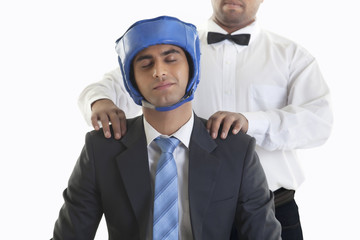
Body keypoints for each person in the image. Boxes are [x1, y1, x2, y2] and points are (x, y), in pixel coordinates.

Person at [78, 1, 333, 239]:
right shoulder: (177, 49)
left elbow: (319, 122)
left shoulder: (292, 55)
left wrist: (249, 123)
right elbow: (118, 81)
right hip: (193, 207)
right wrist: (100, 101)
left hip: (276, 206)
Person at [52, 16, 281, 239]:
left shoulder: (237, 150)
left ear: (192, 67)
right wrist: (99, 100)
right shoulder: (100, 149)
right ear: (131, 80)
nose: (159, 71)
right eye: (145, 64)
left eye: (171, 60)